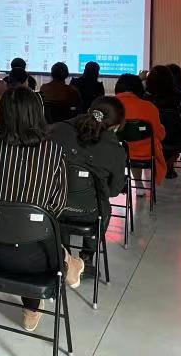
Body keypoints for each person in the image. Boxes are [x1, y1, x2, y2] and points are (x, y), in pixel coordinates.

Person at [0, 86, 83, 332]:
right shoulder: (53, 152)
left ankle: (65, 266)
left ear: (2, 114)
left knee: (25, 235)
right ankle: (62, 269)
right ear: (37, 114)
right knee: (41, 236)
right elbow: (57, 206)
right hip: (38, 258)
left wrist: (2, 214)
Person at [49, 97, 126, 272]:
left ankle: (64, 255)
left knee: (64, 197)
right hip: (88, 212)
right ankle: (87, 256)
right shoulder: (115, 150)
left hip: (51, 205)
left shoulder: (57, 130)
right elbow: (114, 191)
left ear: (89, 111)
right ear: (115, 126)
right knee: (103, 208)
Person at [114, 74, 166, 186]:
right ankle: (138, 184)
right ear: (139, 88)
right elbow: (159, 134)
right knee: (137, 143)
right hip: (145, 152)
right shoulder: (149, 107)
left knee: (126, 144)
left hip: (116, 151)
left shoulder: (109, 105)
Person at [144, 65, 181, 178]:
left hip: (150, 140)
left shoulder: (145, 99)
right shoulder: (179, 96)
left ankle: (159, 164)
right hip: (174, 140)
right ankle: (167, 165)